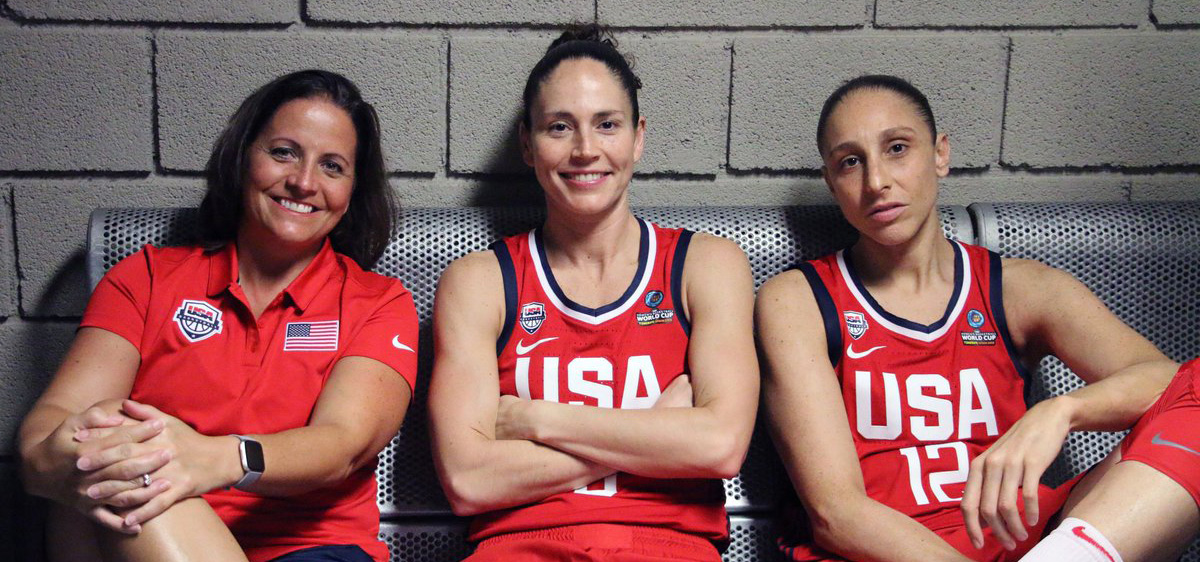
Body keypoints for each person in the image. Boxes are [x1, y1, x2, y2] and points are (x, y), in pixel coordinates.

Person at [757, 74, 1196, 562]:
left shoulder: (1019, 288)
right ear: (832, 182)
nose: (877, 181)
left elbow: (1174, 387)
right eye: (850, 162)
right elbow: (836, 513)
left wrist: (1061, 411)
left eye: (898, 148)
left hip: (1024, 544)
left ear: (940, 154)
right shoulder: (799, 301)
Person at [18, 69, 419, 562]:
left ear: (354, 190)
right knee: (120, 483)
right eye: (283, 152)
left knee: (146, 483)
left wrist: (211, 459)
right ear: (242, 157)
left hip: (309, 547)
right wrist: (97, 451)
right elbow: (42, 442)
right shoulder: (145, 279)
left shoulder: (378, 302)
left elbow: (341, 447)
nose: (303, 181)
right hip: (146, 534)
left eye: (333, 166)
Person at [428, 24, 759, 561]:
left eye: (607, 125)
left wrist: (539, 420)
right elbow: (468, 480)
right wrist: (660, 432)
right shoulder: (480, 281)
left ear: (638, 136)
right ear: (527, 144)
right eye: (560, 127)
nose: (585, 150)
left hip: (670, 548)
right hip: (519, 549)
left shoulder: (706, 266)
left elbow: (720, 447)